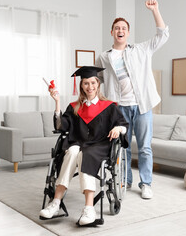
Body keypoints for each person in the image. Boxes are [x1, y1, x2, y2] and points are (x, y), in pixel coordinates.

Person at [95, 0, 169, 199]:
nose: (120, 30)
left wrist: (155, 10)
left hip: (142, 106)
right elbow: (98, 82)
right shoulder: (103, 57)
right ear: (112, 32)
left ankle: (146, 183)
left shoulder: (141, 50)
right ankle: (125, 180)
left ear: (128, 33)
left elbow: (162, 35)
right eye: (117, 28)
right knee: (123, 148)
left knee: (145, 147)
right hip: (119, 109)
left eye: (124, 28)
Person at [39, 66, 128, 226]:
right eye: (86, 83)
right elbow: (61, 126)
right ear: (81, 86)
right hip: (79, 143)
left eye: (93, 83)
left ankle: (89, 208)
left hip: (100, 146)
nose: (90, 87)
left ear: (98, 84)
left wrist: (117, 128)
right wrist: (57, 102)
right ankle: (56, 203)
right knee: (72, 151)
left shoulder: (109, 106)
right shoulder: (75, 107)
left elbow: (123, 124)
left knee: (84, 153)